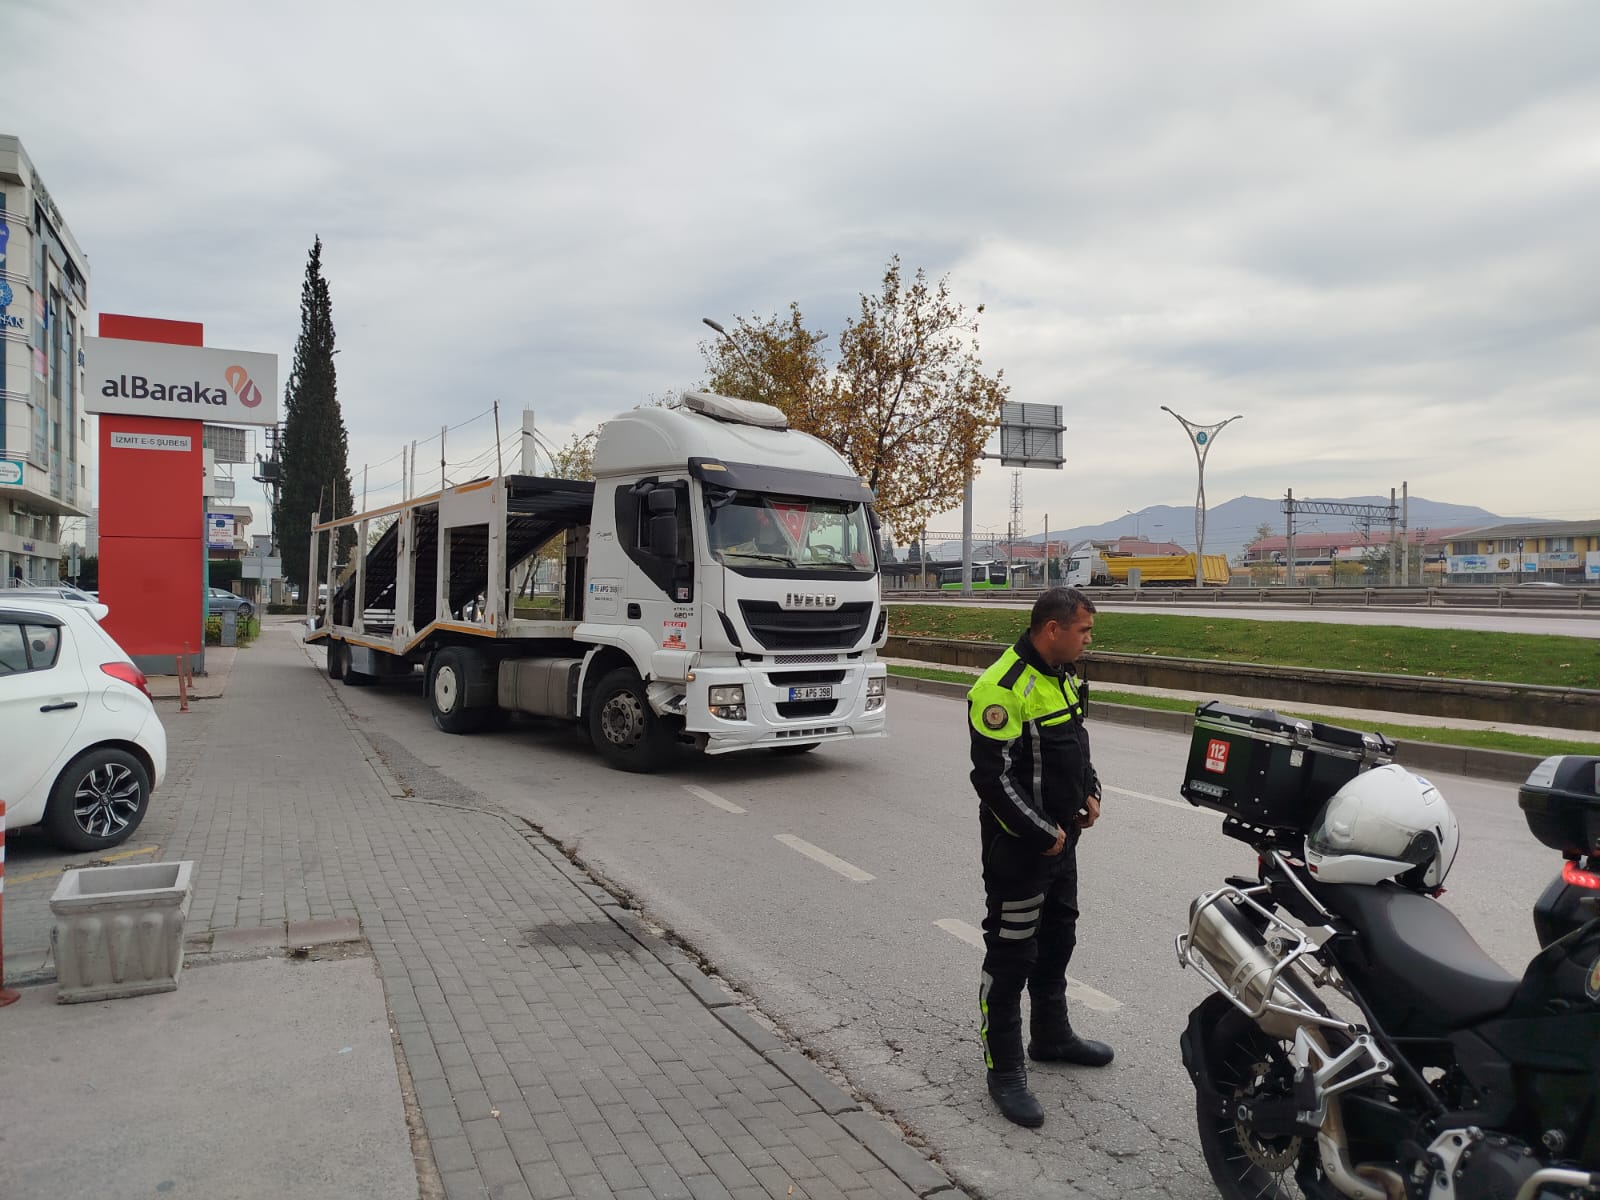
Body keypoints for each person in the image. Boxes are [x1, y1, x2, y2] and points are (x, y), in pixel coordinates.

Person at [967, 586, 1111, 1128]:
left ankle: (1050, 1036)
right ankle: (1003, 1069)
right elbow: (992, 778)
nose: (1088, 640)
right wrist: (1041, 832)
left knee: (1058, 937)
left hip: (1062, 840)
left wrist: (1091, 791)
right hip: (1019, 849)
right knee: (1010, 957)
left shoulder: (1066, 677)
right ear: (1053, 629)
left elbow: (1078, 741)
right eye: (1084, 630)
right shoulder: (1002, 688)